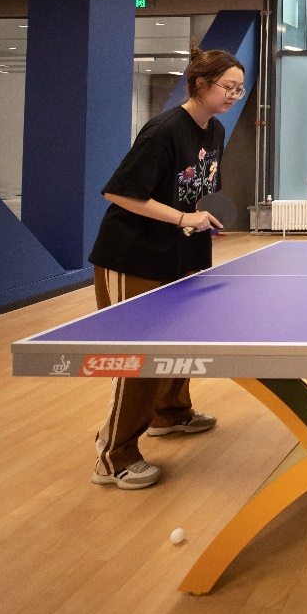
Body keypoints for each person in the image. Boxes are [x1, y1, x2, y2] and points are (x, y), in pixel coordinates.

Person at [87, 47, 245, 490]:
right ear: (201, 84)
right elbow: (119, 193)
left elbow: (195, 191)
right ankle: (113, 455)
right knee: (137, 355)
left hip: (182, 252)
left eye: (239, 89)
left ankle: (169, 413)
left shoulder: (214, 130)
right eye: (228, 87)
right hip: (133, 256)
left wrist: (199, 219)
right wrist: (181, 218)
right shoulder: (163, 130)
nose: (234, 95)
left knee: (179, 340)